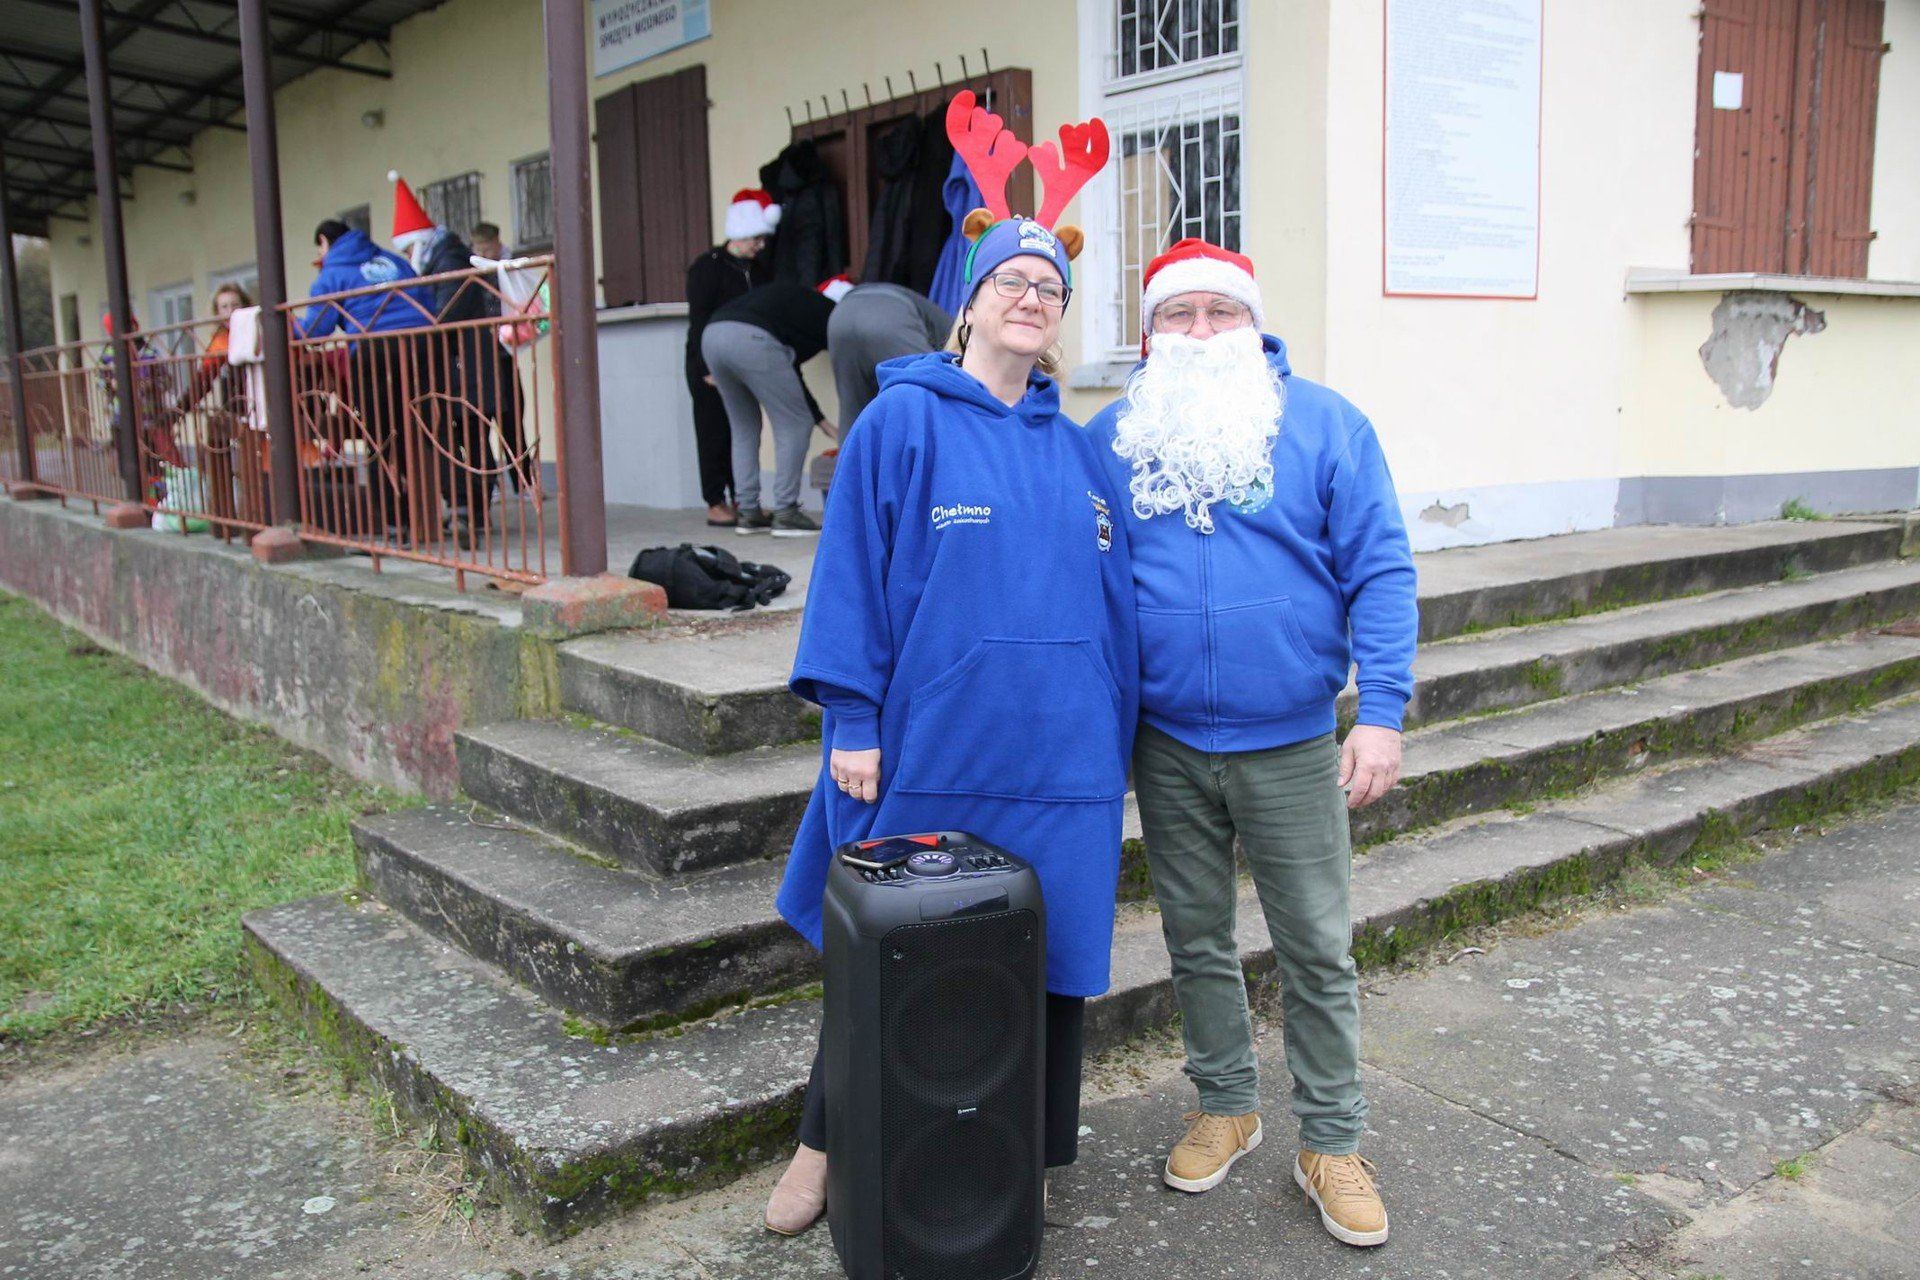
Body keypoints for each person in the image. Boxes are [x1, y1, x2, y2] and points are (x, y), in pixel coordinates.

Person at [764, 90, 1121, 1239]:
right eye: (1012, 282)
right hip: (934, 743)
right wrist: (852, 721)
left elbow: (1117, 607)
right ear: (969, 306)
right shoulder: (899, 426)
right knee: (893, 960)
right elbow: (852, 583)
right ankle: (824, 1143)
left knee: (1047, 962)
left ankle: (1021, 1158)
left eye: (1049, 288)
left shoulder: (1078, 453)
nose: (1031, 299)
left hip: (1058, 756)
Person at [1087, 239, 1418, 1248]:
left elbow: (1382, 569)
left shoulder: (1325, 425)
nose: (1198, 332)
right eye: (1176, 315)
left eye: (1217, 313)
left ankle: (1332, 1138)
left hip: (1291, 741)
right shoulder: (1112, 435)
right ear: (1150, 333)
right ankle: (1225, 1100)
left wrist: (1387, 709)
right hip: (1168, 739)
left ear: (1252, 322)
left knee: (1317, 945)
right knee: (1194, 936)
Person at [297, 218, 433, 534]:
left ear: (323, 241)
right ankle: (437, 516)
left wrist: (288, 327)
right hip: (423, 347)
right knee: (423, 431)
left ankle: (395, 523)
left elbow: (317, 329)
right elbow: (427, 299)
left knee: (380, 437)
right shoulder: (393, 261)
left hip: (375, 353)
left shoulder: (332, 274)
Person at [700, 276, 840, 537]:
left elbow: (790, 372)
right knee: (795, 424)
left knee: (743, 427)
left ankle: (748, 511)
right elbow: (795, 384)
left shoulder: (793, 304)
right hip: (752, 338)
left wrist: (822, 422)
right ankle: (786, 513)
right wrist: (818, 420)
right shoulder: (833, 316)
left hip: (712, 336)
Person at [686, 190, 779, 526]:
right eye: (756, 238)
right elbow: (698, 321)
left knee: (744, 429)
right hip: (708, 361)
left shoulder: (759, 270)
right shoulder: (707, 268)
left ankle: (744, 498)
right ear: (739, 234)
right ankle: (715, 501)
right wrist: (705, 367)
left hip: (745, 361)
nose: (760, 245)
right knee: (714, 432)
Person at [825, 280, 952, 425]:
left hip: (841, 315)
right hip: (888, 317)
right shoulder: (959, 333)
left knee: (853, 408)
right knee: (933, 394)